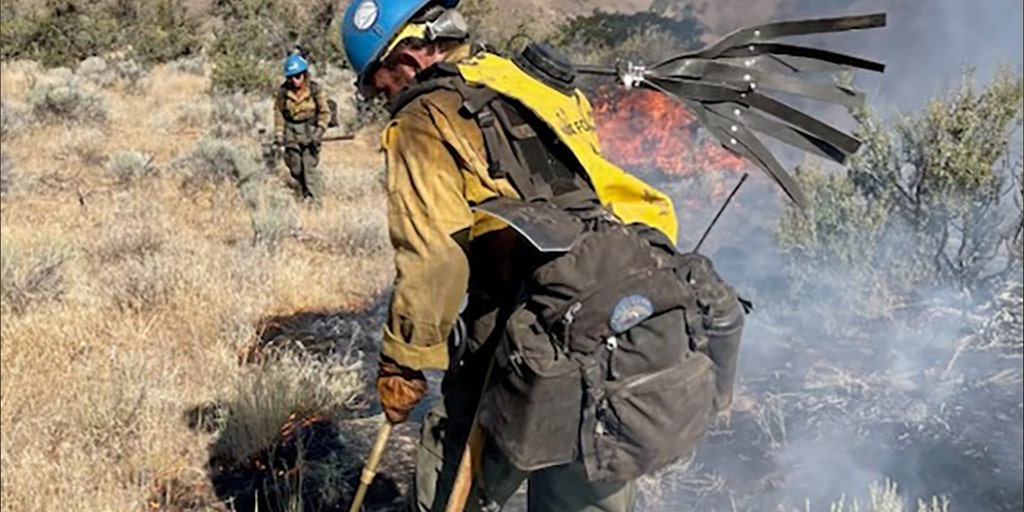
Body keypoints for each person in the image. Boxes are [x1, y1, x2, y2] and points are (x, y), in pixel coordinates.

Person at [340, 1, 745, 511]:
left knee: (451, 473)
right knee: (594, 463)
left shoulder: (423, 120)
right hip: (612, 302)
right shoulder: (524, 80)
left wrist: (404, 363)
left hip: (521, 323)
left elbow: (434, 260)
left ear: (406, 55)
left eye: (376, 80)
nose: (379, 95)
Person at [274, 52, 330, 202]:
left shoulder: (315, 89)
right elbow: (279, 111)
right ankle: (304, 191)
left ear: (304, 74)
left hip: (310, 130)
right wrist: (279, 133)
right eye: (291, 77)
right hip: (291, 131)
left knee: (309, 166)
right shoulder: (284, 91)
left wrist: (319, 131)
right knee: (296, 167)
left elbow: (324, 112)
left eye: (298, 76)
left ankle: (315, 200)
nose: (295, 80)